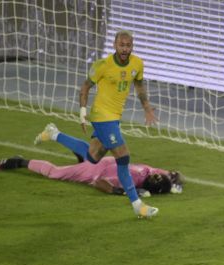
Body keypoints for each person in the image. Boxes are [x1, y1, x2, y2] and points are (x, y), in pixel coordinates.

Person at [35, 30, 158, 218]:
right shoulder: (103, 65)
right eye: (121, 45)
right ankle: (137, 205)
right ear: (115, 46)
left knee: (92, 156)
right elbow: (85, 87)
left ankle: (53, 133)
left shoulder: (137, 64)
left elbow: (139, 85)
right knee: (123, 157)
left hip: (115, 117)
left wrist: (147, 108)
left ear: (132, 46)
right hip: (101, 116)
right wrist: (83, 112)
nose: (125, 49)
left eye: (128, 45)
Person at [0, 152, 184, 197]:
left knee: (83, 156)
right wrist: (120, 192)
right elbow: (99, 182)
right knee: (54, 173)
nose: (159, 175)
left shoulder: (147, 172)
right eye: (162, 176)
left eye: (159, 178)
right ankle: (20, 161)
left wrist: (176, 182)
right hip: (96, 170)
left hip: (106, 160)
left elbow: (175, 174)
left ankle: (80, 156)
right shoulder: (133, 181)